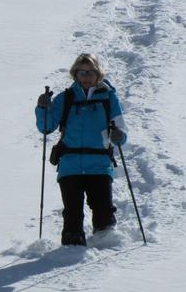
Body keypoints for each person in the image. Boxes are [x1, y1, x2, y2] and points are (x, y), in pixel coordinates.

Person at [35, 53, 127, 246]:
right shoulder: (65, 99)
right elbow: (46, 127)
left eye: (90, 72)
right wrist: (42, 108)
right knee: (72, 212)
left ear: (98, 75)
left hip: (100, 164)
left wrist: (118, 136)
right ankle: (71, 249)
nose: (86, 76)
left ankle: (106, 248)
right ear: (75, 74)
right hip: (70, 164)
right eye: (82, 72)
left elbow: (120, 129)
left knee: (103, 211)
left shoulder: (109, 98)